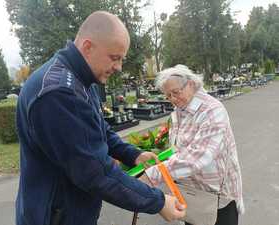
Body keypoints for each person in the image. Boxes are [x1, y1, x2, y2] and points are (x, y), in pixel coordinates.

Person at [15, 11, 186, 225]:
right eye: (115, 58)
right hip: (55, 217)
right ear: (88, 47)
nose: (119, 67)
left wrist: (132, 155)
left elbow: (98, 130)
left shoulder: (80, 80)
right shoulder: (58, 94)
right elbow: (95, 172)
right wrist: (158, 202)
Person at [144, 65, 244, 225]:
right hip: (192, 195)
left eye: (176, 92)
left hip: (217, 199)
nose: (173, 99)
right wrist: (161, 158)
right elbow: (180, 149)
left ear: (190, 83)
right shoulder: (180, 111)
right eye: (168, 96)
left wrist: (153, 174)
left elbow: (198, 156)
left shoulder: (212, 111)